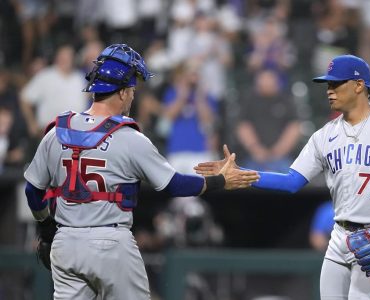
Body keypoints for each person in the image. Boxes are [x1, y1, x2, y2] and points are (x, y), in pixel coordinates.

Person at [23, 43, 259, 300]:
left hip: (65, 241)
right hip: (110, 242)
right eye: (132, 87)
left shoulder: (57, 131)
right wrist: (220, 181)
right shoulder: (128, 137)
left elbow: (33, 190)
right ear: (122, 93)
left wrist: (47, 229)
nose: (134, 95)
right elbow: (174, 185)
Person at [195, 54, 370, 300]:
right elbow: (291, 181)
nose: (329, 91)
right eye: (328, 85)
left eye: (336, 84)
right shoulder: (324, 136)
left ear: (359, 85)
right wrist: (243, 174)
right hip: (339, 235)